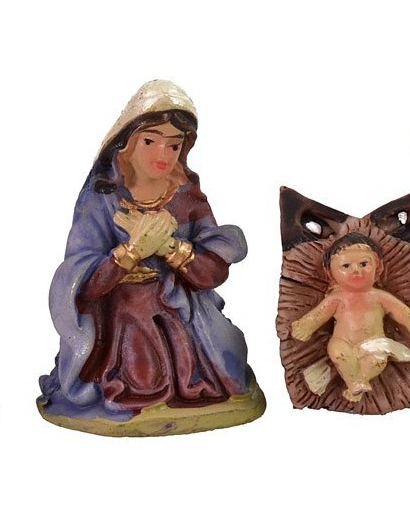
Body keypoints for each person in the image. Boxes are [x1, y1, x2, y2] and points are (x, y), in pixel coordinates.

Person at [38, 80, 262, 435]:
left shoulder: (187, 196)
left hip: (184, 312)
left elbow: (213, 271)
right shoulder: (102, 199)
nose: (163, 154)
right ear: (125, 144)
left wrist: (170, 248)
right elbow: (80, 281)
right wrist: (131, 253)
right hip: (120, 316)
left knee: (226, 368)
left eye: (174, 144)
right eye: (150, 141)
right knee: (139, 376)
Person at [289, 233, 410, 403]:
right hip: (343, 342)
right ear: (331, 273)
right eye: (346, 266)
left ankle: (357, 383)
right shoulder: (337, 299)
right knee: (338, 352)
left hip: (373, 344)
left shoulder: (379, 297)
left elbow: (399, 311)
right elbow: (318, 315)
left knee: (378, 361)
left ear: (378, 266)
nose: (356, 270)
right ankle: (356, 383)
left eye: (364, 264)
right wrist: (306, 325)